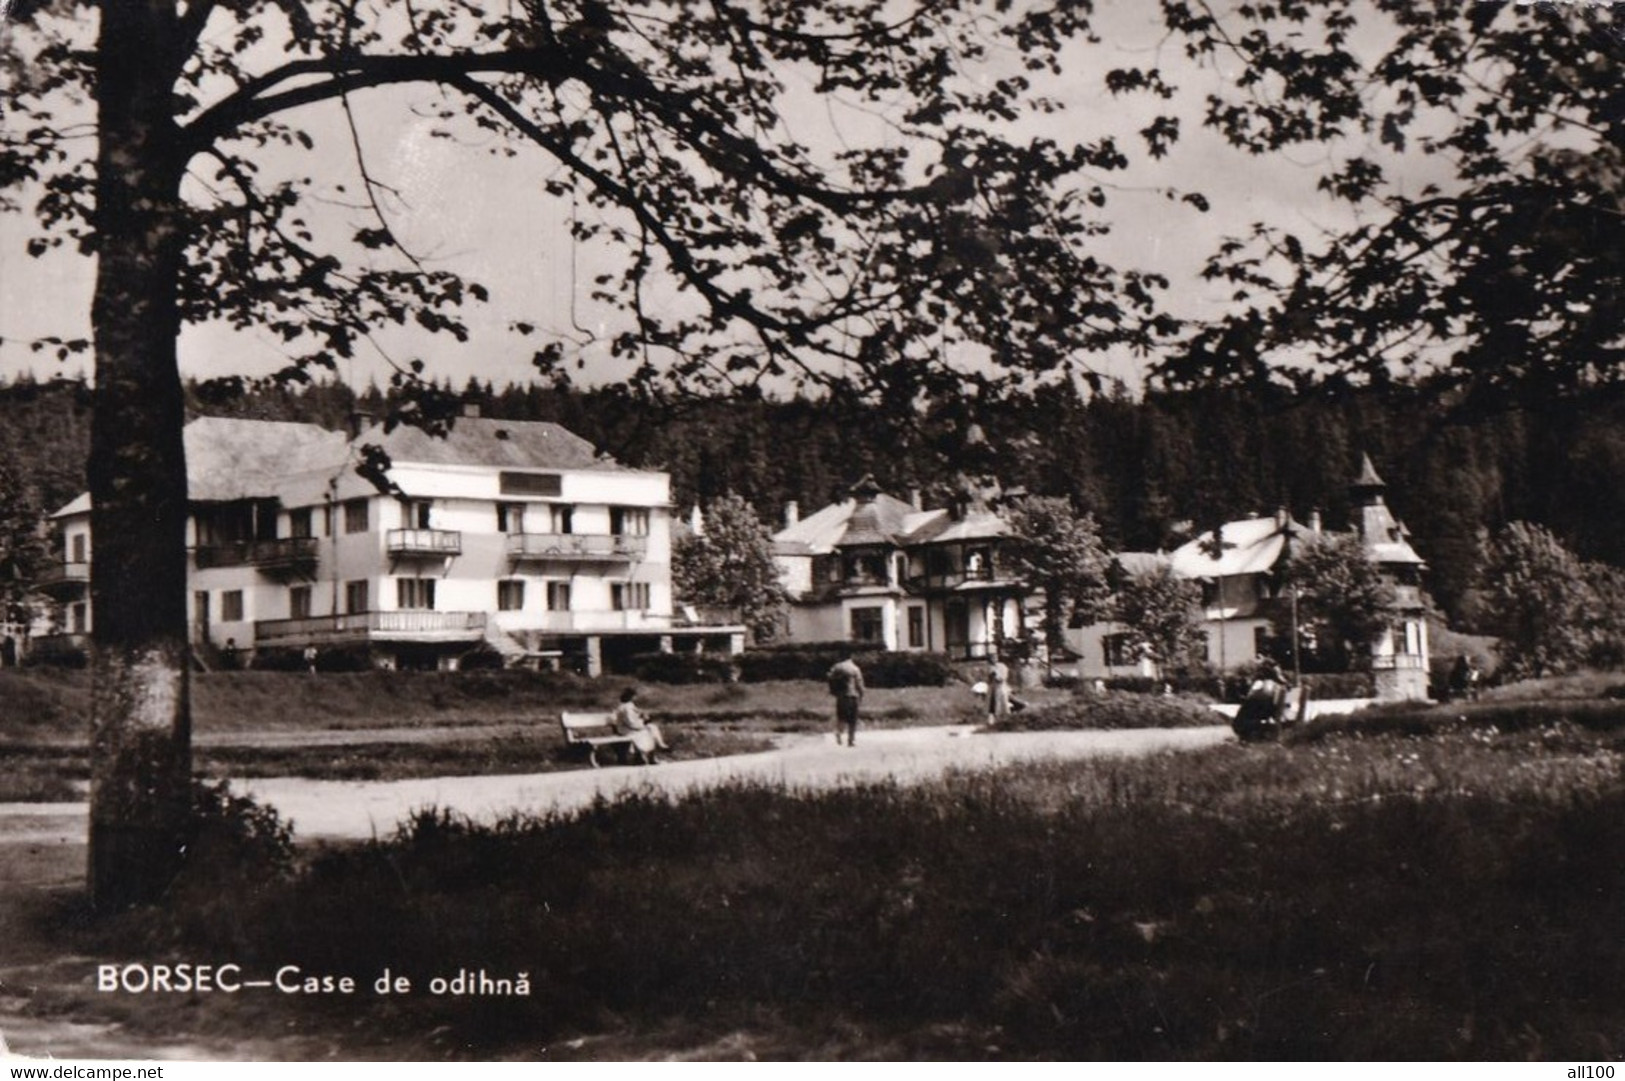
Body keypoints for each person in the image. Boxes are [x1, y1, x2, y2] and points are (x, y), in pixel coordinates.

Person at [611, 686, 669, 765]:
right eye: (634, 696)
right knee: (649, 731)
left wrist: (642, 717)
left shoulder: (629, 706)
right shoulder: (626, 707)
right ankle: (650, 755)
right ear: (631, 697)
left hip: (630, 728)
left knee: (652, 728)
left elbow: (635, 717)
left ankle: (652, 754)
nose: (636, 698)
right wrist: (642, 723)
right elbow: (631, 722)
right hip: (626, 730)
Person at [826, 652, 865, 747]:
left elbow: (829, 677)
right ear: (851, 657)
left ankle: (839, 732)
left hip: (841, 696)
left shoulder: (837, 667)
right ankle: (851, 740)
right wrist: (862, 694)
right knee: (853, 719)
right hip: (853, 696)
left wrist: (833, 691)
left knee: (841, 717)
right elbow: (859, 684)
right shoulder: (855, 668)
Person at [985, 654, 1012, 725]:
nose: (993, 660)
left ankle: (1006, 720)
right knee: (992, 703)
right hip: (992, 687)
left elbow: (1003, 677)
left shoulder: (1002, 666)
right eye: (991, 658)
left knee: (1003, 703)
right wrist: (990, 676)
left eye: (995, 658)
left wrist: (996, 676)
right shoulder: (989, 667)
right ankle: (993, 720)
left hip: (1001, 687)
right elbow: (988, 678)